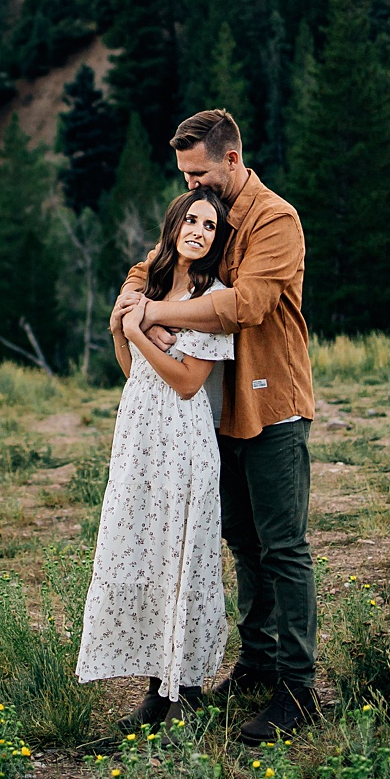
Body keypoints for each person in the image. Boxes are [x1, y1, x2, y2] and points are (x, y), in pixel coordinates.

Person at [112, 108, 317, 744]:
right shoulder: (205, 208)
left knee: (283, 545)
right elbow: (152, 260)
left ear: (231, 160)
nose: (190, 185)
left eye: (198, 172)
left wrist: (155, 313)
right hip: (215, 411)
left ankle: (297, 688)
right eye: (183, 174)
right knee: (241, 538)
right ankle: (256, 663)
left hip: (272, 402)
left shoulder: (274, 220)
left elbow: (243, 304)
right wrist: (133, 299)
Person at [76, 188, 234, 733]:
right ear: (173, 225)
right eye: (191, 219)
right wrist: (131, 331)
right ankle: (153, 686)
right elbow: (128, 363)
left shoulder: (211, 296)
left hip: (183, 438)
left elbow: (189, 382)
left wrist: (139, 329)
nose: (198, 230)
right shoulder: (150, 283)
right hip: (139, 431)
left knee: (184, 555)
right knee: (144, 553)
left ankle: (186, 688)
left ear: (216, 239)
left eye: (210, 226)